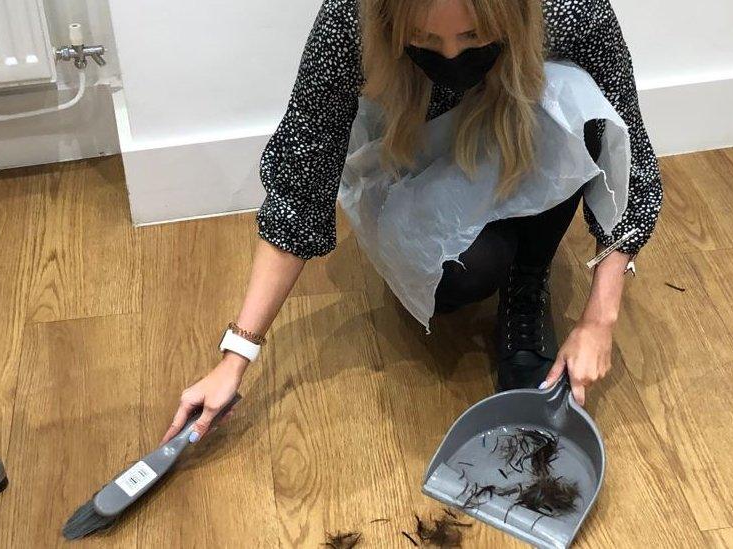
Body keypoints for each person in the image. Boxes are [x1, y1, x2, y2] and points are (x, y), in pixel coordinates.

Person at [160, 0, 662, 445]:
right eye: (424, 39)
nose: (450, 57)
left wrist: (599, 319)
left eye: (471, 36)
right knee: (457, 281)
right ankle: (494, 249)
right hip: (414, 145)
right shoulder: (348, 20)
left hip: (516, 125)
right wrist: (235, 357)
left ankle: (527, 284)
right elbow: (300, 186)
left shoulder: (571, 8)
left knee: (582, 105)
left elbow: (631, 157)